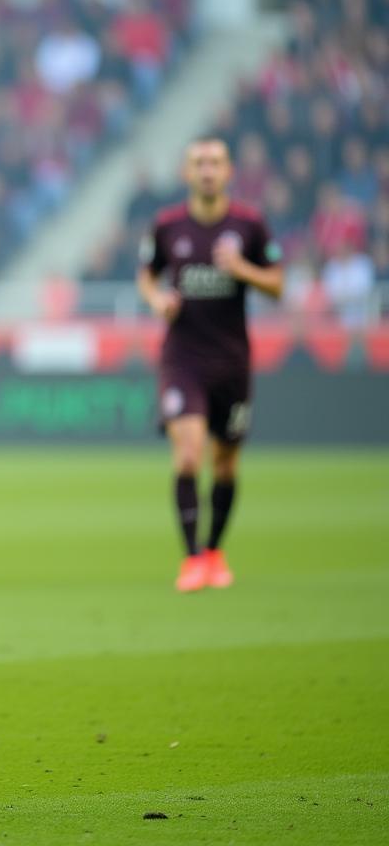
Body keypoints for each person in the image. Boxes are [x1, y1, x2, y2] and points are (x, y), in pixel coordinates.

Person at [136, 138, 282, 593]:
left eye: (215, 162)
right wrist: (158, 299)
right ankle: (192, 558)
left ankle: (215, 551)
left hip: (232, 362)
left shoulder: (250, 226)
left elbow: (277, 285)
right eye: (199, 163)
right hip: (183, 358)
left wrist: (243, 270)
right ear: (186, 173)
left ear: (229, 171)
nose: (207, 170)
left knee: (225, 463)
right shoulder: (167, 226)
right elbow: (146, 274)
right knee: (188, 452)